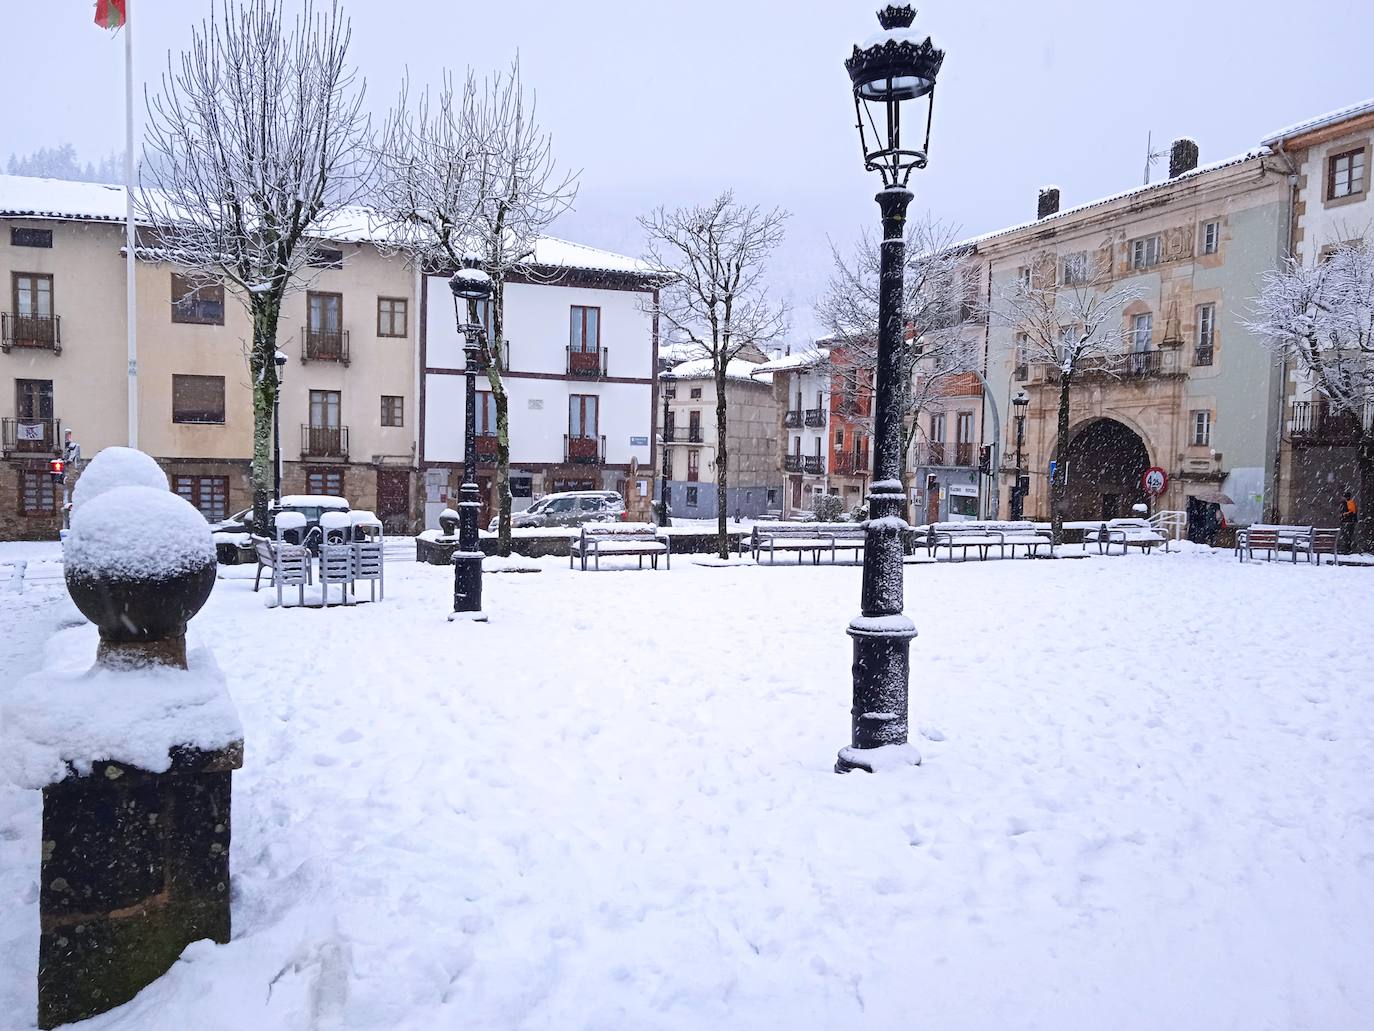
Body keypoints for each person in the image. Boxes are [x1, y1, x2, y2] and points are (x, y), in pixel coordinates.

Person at [1339, 488, 1358, 554]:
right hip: (1347, 521)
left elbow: (1352, 512)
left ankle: (1348, 549)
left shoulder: (1350, 502)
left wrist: (1344, 514)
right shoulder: (1346, 503)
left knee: (1348, 536)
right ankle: (1346, 548)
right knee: (1346, 536)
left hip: (1349, 522)